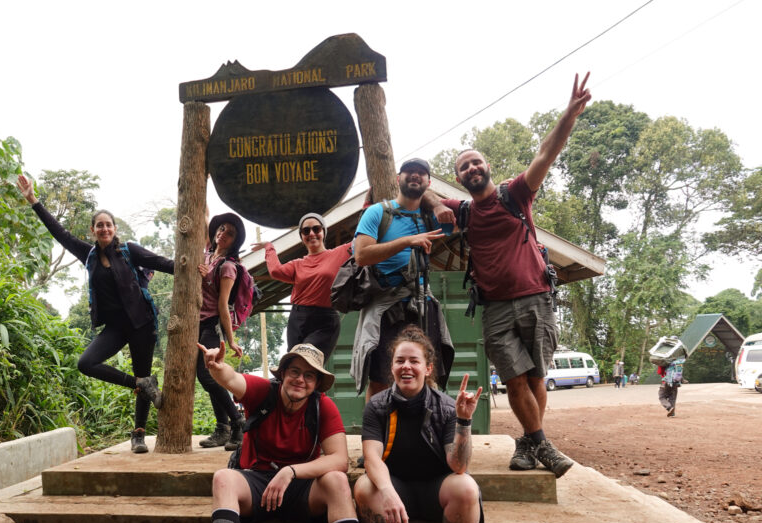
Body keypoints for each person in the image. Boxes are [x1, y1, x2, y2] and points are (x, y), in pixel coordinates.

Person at [424, 73, 592, 478]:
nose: (471, 168)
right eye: (463, 166)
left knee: (536, 377)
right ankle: (543, 446)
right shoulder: (463, 211)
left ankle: (527, 443)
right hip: (495, 307)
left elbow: (546, 155)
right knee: (514, 378)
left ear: (487, 166)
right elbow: (415, 185)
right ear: (460, 177)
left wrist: (569, 114)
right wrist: (435, 202)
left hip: (536, 297)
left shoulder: (514, 194)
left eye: (476, 161)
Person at [196, 342, 384, 523]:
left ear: (317, 383)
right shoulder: (263, 393)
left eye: (309, 375)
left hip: (300, 488)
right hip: (256, 483)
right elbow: (232, 380)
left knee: (335, 480)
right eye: (294, 371)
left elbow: (339, 460)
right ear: (282, 374)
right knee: (223, 477)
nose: (300, 379)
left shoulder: (323, 407)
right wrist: (217, 367)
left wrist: (291, 472)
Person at [17, 175, 171, 453]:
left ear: (114, 228)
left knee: (144, 371)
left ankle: (138, 434)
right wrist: (33, 200)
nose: (104, 229)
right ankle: (139, 384)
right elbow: (59, 233)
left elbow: (162, 263)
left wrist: (197, 267)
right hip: (114, 328)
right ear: (92, 230)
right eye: (99, 225)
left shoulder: (128, 251)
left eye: (108, 225)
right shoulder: (87, 255)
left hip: (141, 323)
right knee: (86, 363)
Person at [353, 325, 483, 523]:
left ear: (428, 368)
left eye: (414, 361)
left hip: (437, 491)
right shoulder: (377, 406)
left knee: (466, 486)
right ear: (392, 367)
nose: (406, 367)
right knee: (364, 486)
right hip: (398, 492)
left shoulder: (447, 408)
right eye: (400, 361)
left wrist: (463, 421)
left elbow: (458, 465)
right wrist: (386, 491)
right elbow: (372, 458)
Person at [352, 158, 449, 401]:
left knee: (428, 373)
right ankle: (378, 435)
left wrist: (436, 205)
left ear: (428, 182)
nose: (415, 176)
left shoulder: (432, 216)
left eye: (420, 173)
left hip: (422, 303)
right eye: (409, 173)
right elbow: (361, 255)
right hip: (386, 305)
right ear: (398, 178)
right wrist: (407, 241)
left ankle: (425, 434)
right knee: (380, 378)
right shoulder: (378, 212)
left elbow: (473, 213)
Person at [252, 212, 352, 360]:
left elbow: (363, 237)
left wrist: (369, 206)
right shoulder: (297, 264)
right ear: (302, 237)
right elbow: (275, 271)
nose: (312, 234)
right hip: (298, 318)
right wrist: (269, 247)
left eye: (316, 229)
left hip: (325, 321)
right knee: (293, 363)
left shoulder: (340, 253)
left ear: (323, 232)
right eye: (306, 231)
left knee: (309, 363)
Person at [196, 213, 247, 450]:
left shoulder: (227, 267)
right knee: (208, 377)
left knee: (208, 375)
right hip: (195, 325)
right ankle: (222, 429)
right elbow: (204, 215)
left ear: (234, 241)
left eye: (230, 233)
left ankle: (237, 422)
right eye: (222, 229)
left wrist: (231, 339)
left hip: (211, 325)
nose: (223, 233)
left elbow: (223, 306)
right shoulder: (207, 254)